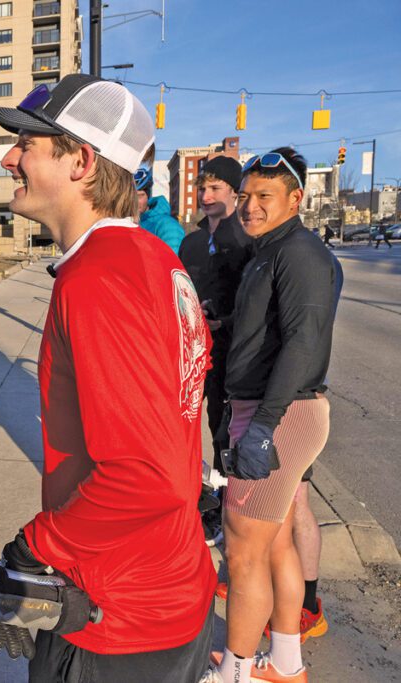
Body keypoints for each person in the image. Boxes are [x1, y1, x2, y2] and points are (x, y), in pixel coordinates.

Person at [0, 75, 215, 682]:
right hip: (165, 589)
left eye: (28, 143)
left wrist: (30, 552)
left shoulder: (100, 279)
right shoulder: (154, 258)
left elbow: (146, 475)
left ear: (81, 160)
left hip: (119, 618)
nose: (9, 157)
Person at [209, 148, 337, 683]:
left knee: (242, 551)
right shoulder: (270, 249)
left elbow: (304, 343)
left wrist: (262, 426)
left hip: (278, 414)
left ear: (295, 200)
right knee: (275, 543)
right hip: (267, 410)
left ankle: (236, 672)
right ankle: (284, 663)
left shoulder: (300, 251)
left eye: (264, 197)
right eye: (246, 196)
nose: (250, 207)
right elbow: (268, 325)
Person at [177, 156, 251, 546]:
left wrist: (225, 321)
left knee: (223, 430)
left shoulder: (246, 238)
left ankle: (226, 509)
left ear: (235, 194)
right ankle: (196, 497)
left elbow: (260, 304)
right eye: (201, 188)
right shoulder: (190, 242)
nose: (205, 196)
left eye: (215, 188)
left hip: (232, 352)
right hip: (191, 350)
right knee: (181, 424)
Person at [134, 165, 185, 253]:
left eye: (139, 196)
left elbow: (172, 262)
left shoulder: (167, 225)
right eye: (129, 196)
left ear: (148, 196)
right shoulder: (128, 222)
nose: (134, 201)